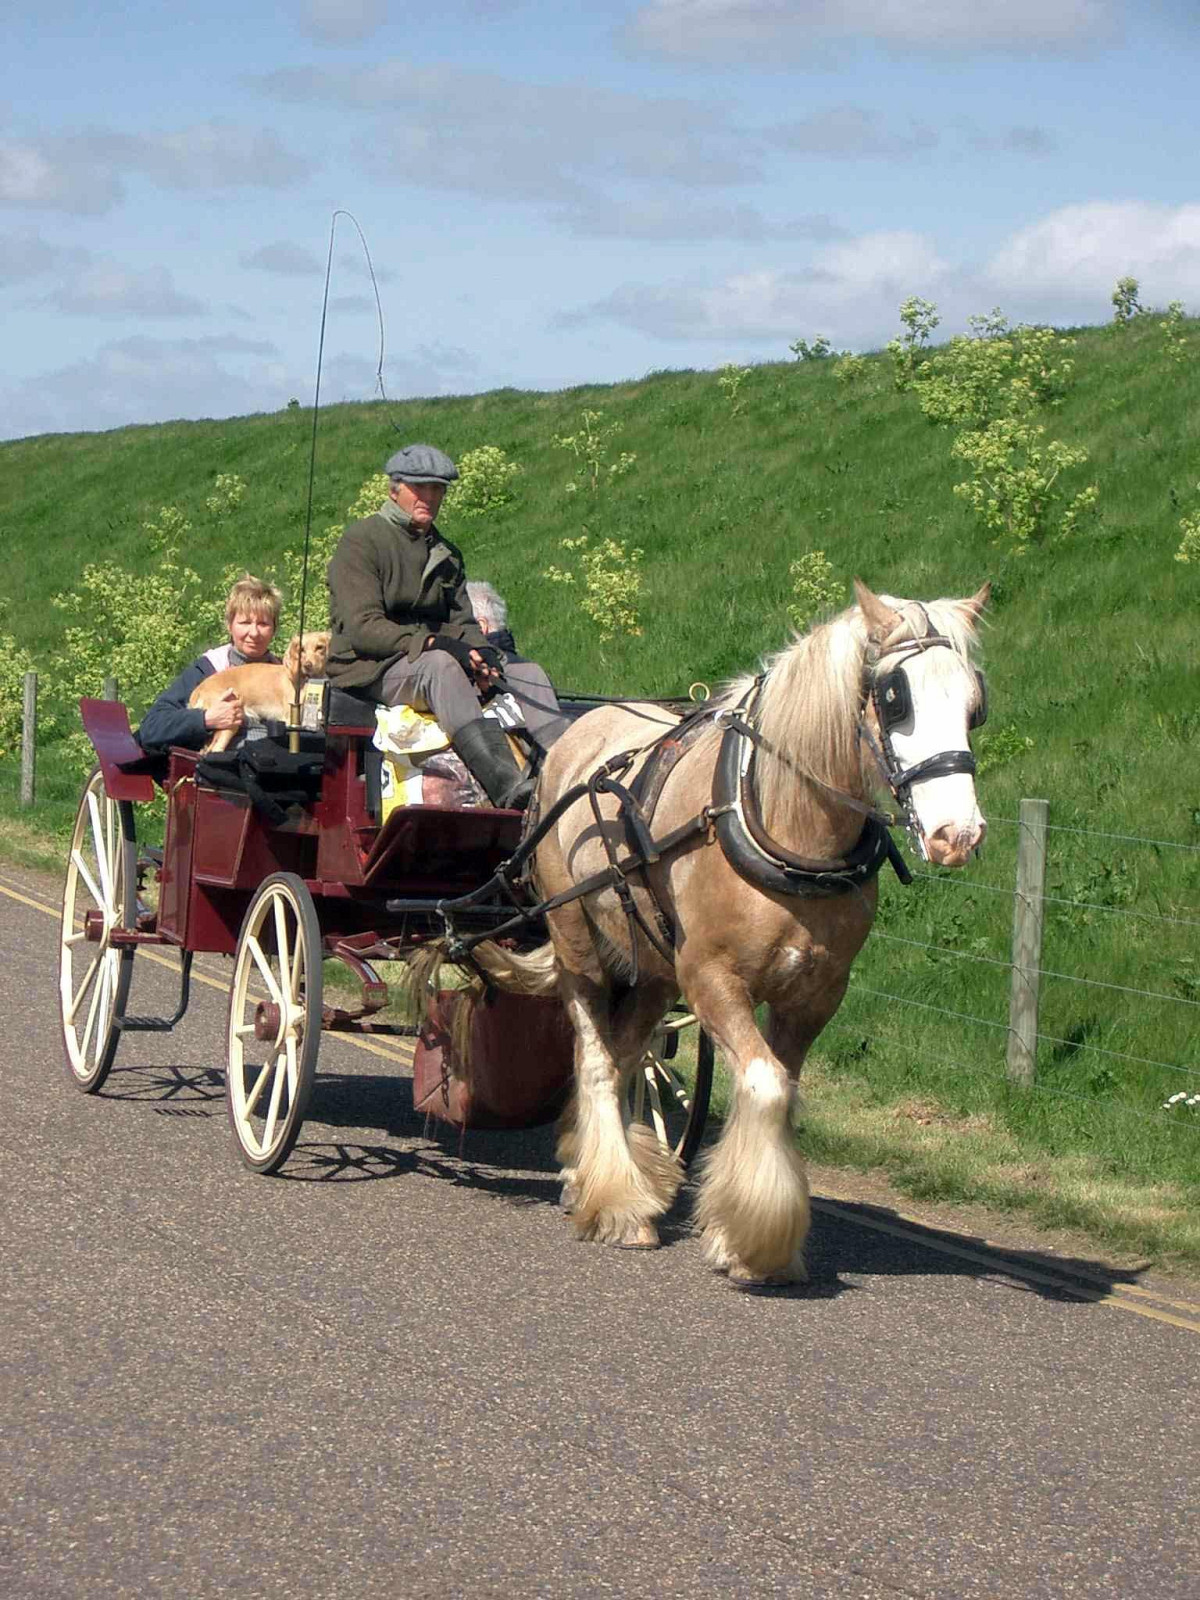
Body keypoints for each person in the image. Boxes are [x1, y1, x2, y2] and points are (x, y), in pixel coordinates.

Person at [326, 444, 567, 809]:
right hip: (370, 666)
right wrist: (433, 643)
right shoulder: (362, 541)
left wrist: (483, 653)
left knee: (527, 672)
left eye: (437, 489)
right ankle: (507, 787)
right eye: (419, 487)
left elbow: (463, 621)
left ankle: (568, 770)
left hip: (429, 656)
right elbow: (362, 627)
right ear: (394, 489)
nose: (429, 496)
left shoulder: (447, 552)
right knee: (440, 668)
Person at [137, 574, 282, 756]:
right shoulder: (208, 669)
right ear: (229, 625)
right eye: (245, 622)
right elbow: (151, 727)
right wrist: (205, 719)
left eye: (263, 624)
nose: (254, 633)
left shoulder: (287, 676)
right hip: (221, 767)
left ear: (274, 629)